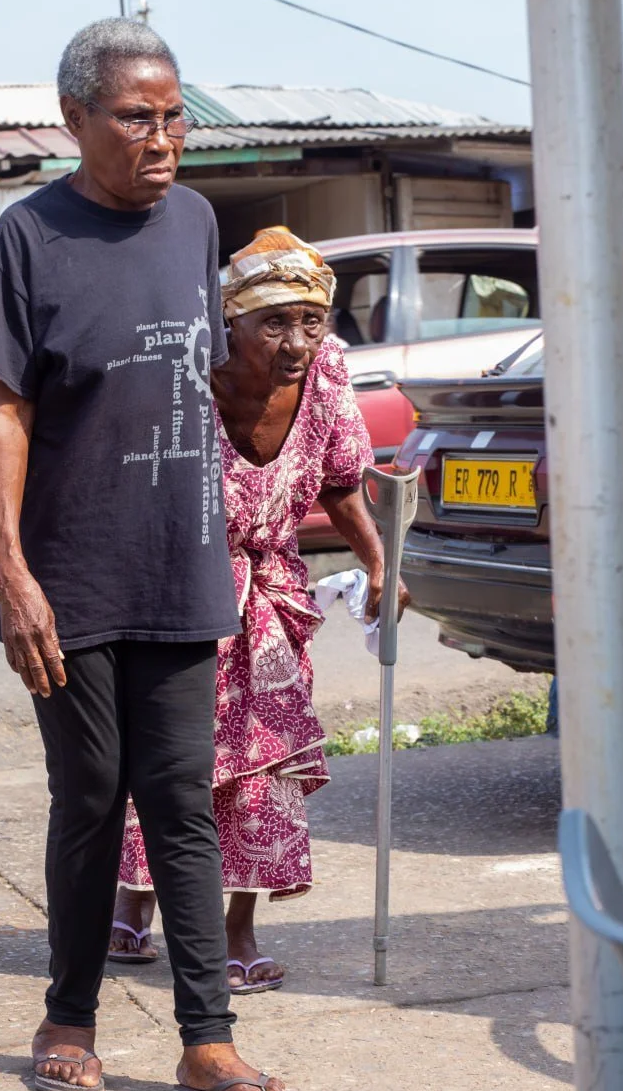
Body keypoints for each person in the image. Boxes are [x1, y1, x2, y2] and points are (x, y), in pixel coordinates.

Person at [0, 19, 303, 1091]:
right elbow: (4, 412)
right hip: (71, 571)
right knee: (92, 795)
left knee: (183, 801)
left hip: (180, 562)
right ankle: (68, 1017)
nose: (163, 138)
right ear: (75, 119)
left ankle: (208, 1040)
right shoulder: (28, 235)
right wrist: (12, 572)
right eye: (135, 117)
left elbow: (207, 384)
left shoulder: (195, 222)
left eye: (173, 116)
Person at [113, 227, 408, 990]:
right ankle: (134, 897)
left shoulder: (326, 372)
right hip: (177, 585)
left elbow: (340, 483)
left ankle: (236, 927)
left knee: (262, 761)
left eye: (311, 321)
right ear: (228, 322)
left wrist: (379, 562)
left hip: (269, 591)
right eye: (274, 323)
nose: (297, 342)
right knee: (168, 751)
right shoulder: (184, 371)